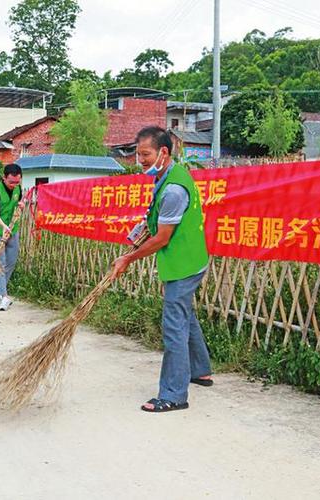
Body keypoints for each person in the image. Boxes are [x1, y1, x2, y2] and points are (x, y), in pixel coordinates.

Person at [111, 126, 213, 413]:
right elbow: (155, 222)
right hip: (189, 258)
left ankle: (173, 394)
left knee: (174, 327)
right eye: (138, 154)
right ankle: (200, 370)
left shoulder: (174, 189)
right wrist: (138, 234)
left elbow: (163, 238)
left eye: (145, 154)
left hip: (184, 263)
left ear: (163, 152)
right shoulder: (167, 176)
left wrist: (127, 259)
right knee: (185, 316)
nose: (140, 160)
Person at [0, 164, 25, 311]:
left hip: (12, 228)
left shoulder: (18, 189)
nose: (14, 185)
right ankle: (4, 296)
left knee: (12, 261)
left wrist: (21, 204)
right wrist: (4, 227)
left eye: (17, 182)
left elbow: (19, 202)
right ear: (4, 178)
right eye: (11, 182)